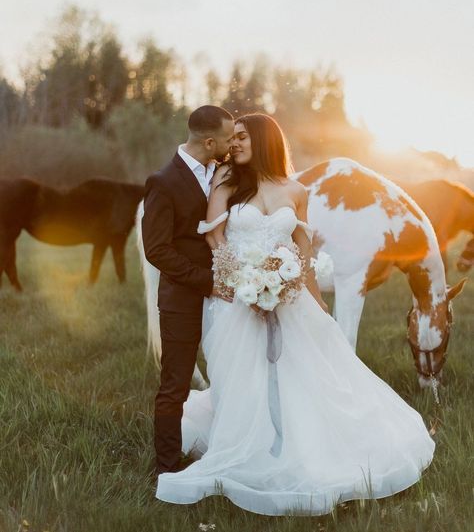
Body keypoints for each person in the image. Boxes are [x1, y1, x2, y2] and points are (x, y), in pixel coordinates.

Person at [155, 113, 435, 516]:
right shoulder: (227, 182)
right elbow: (215, 236)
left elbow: (302, 251)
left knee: (307, 376)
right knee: (247, 378)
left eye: (241, 137)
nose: (234, 144)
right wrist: (242, 279)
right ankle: (258, 444)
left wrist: (316, 304)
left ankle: (300, 444)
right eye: (232, 138)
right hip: (240, 299)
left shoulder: (298, 190)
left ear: (266, 140)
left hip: (289, 300)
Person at [142, 105, 234, 476]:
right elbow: (157, 249)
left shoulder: (223, 172)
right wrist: (208, 282)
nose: (232, 143)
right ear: (210, 142)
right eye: (228, 138)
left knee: (229, 376)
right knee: (175, 384)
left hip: (225, 302)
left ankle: (228, 450)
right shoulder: (162, 182)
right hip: (182, 299)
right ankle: (166, 467)